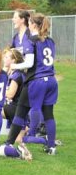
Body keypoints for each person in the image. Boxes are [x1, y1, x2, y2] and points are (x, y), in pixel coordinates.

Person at [5, 13, 58, 155]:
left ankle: (9, 143)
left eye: (29, 22)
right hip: (51, 80)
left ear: (33, 25)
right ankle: (51, 146)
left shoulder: (31, 40)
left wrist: (12, 66)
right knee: (48, 114)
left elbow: (29, 63)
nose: (28, 24)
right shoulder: (51, 41)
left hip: (36, 80)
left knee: (20, 111)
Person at [2, 48, 26, 142]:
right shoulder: (12, 72)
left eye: (7, 57)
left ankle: (45, 140)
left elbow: (10, 94)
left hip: (17, 109)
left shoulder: (16, 75)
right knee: (18, 139)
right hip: (15, 109)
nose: (4, 58)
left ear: (14, 60)